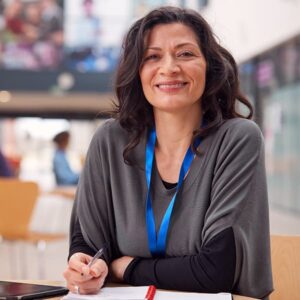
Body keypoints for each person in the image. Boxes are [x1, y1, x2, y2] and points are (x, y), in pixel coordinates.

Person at [63, 6, 273, 299]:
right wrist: (83, 265)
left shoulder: (237, 139)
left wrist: (126, 267)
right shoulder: (109, 140)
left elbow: (216, 271)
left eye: (185, 54)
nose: (170, 67)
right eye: (152, 56)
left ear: (210, 67)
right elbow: (88, 242)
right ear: (138, 72)